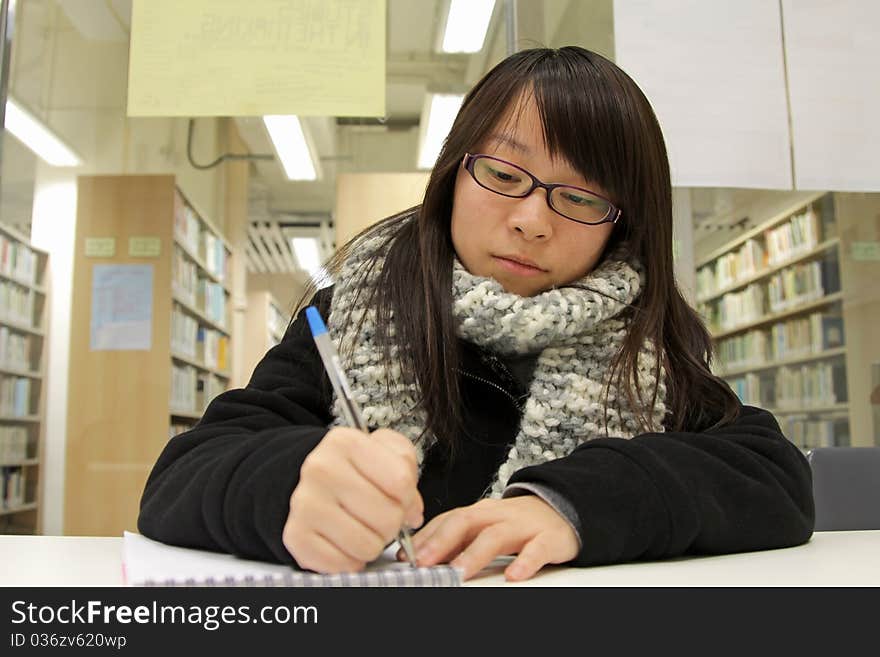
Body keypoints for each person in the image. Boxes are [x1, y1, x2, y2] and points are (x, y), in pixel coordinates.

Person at [138, 46, 814, 581]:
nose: (531, 220)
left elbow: (773, 473)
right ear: (454, 172)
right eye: (503, 173)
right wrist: (290, 485)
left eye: (581, 197)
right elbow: (182, 475)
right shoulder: (353, 312)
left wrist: (570, 506)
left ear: (623, 225)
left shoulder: (643, 347)